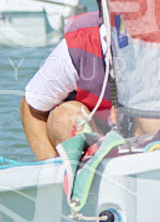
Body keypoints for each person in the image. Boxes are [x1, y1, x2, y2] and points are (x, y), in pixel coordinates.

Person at [21, 10, 114, 160]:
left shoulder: (154, 41)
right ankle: (80, 166)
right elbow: (32, 107)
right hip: (94, 131)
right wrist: (49, 164)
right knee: (66, 118)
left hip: (140, 132)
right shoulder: (80, 42)